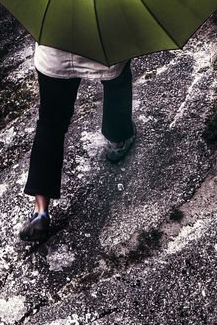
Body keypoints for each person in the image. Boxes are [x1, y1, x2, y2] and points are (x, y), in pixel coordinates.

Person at [20, 42, 137, 242]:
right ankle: (117, 140)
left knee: (50, 122)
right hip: (105, 49)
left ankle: (40, 211)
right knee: (118, 78)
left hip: (55, 56)